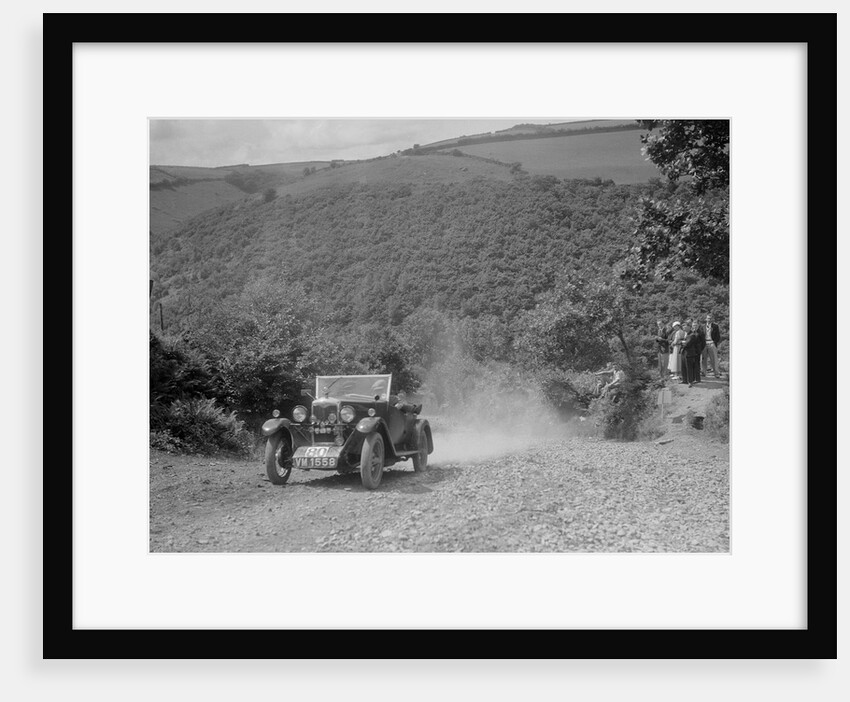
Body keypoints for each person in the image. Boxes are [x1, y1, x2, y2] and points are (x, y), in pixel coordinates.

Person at [681, 321, 702, 387]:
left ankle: (690, 381)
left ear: (689, 327)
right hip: (684, 352)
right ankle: (684, 380)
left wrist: (682, 343)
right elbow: (680, 341)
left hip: (689, 353)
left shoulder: (692, 334)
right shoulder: (685, 334)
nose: (683, 327)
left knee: (689, 367)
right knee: (683, 367)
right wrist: (682, 342)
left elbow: (687, 344)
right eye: (683, 326)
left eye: (685, 326)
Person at [702, 313, 722, 378]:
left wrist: (714, 342)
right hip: (704, 343)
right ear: (706, 319)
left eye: (710, 318)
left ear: (712, 319)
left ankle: (716, 373)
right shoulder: (702, 326)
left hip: (711, 343)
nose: (709, 320)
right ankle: (703, 372)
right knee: (703, 359)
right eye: (708, 318)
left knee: (714, 359)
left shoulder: (715, 326)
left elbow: (718, 336)